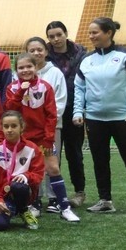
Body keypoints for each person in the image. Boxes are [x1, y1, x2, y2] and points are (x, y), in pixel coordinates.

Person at [73, 17, 126, 216]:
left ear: (108, 33)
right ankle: (105, 201)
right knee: (100, 161)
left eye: (95, 32)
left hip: (124, 119)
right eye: (90, 33)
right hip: (94, 119)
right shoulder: (86, 60)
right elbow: (79, 88)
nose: (91, 36)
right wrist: (78, 111)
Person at [6, 53, 79, 223]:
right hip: (22, 140)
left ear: (36, 67)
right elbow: (10, 110)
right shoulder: (12, 88)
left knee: (53, 168)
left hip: (42, 138)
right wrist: (21, 90)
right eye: (21, 68)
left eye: (29, 66)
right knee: (27, 172)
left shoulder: (45, 87)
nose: (25, 70)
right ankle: (34, 205)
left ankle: (65, 208)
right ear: (16, 70)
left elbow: (51, 115)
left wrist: (48, 138)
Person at [45, 21, 88, 206]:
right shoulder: (44, 55)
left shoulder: (81, 53)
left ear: (66, 34)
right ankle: (54, 195)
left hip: (73, 110)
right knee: (52, 154)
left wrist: (81, 108)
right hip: (50, 113)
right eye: (51, 36)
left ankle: (79, 192)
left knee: (74, 153)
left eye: (58, 35)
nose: (55, 39)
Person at [0, 111, 45, 230]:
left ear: (22, 127)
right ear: (2, 128)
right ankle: (10, 208)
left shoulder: (32, 149)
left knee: (18, 185)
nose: (9, 130)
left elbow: (38, 175)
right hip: (3, 195)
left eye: (14, 126)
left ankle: (24, 209)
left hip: (23, 192)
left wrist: (26, 176)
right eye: (6, 126)